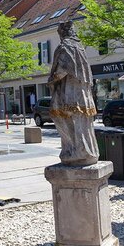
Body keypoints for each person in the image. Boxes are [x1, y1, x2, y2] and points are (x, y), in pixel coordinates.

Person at [49, 21, 99, 166]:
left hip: (68, 92)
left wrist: (52, 79)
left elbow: (62, 69)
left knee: (63, 119)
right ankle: (88, 151)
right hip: (82, 93)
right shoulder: (80, 47)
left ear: (62, 33)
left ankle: (74, 151)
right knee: (83, 123)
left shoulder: (65, 47)